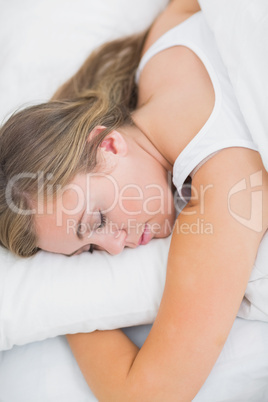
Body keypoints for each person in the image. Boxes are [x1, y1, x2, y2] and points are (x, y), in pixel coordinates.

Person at [0, 0, 267, 399]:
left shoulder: (223, 195)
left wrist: (66, 307)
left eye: (98, 221)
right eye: (88, 250)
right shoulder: (162, 45)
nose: (112, 248)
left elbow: (144, 396)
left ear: (108, 143)